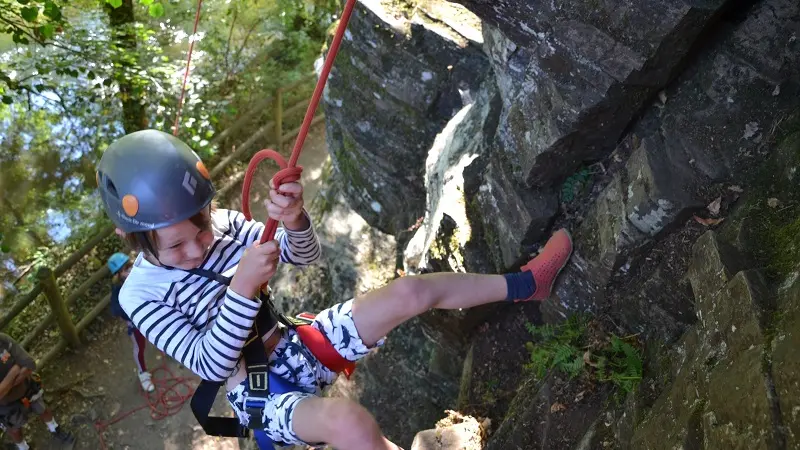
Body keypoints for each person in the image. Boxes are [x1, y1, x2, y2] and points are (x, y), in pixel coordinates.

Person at [96, 129, 573, 449]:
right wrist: (241, 289)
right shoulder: (140, 295)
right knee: (350, 422)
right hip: (256, 391)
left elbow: (302, 255)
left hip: (300, 342)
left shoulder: (219, 225)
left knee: (408, 293)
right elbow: (208, 363)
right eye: (177, 244)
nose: (198, 249)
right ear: (131, 237)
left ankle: (528, 283)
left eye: (201, 233)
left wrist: (294, 219)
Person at [0, 334, 74, 450]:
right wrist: (14, 371)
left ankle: (54, 428)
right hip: (6, 407)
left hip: (28, 389)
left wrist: (6, 387)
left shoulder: (2, 340)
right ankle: (23, 448)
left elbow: (29, 364)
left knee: (43, 409)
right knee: (15, 429)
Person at [107, 252, 155, 393]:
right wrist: (131, 314)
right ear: (119, 275)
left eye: (129, 266)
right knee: (139, 347)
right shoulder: (118, 290)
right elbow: (115, 310)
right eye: (125, 269)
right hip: (135, 324)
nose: (129, 270)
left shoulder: (140, 275)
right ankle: (143, 374)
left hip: (150, 315)